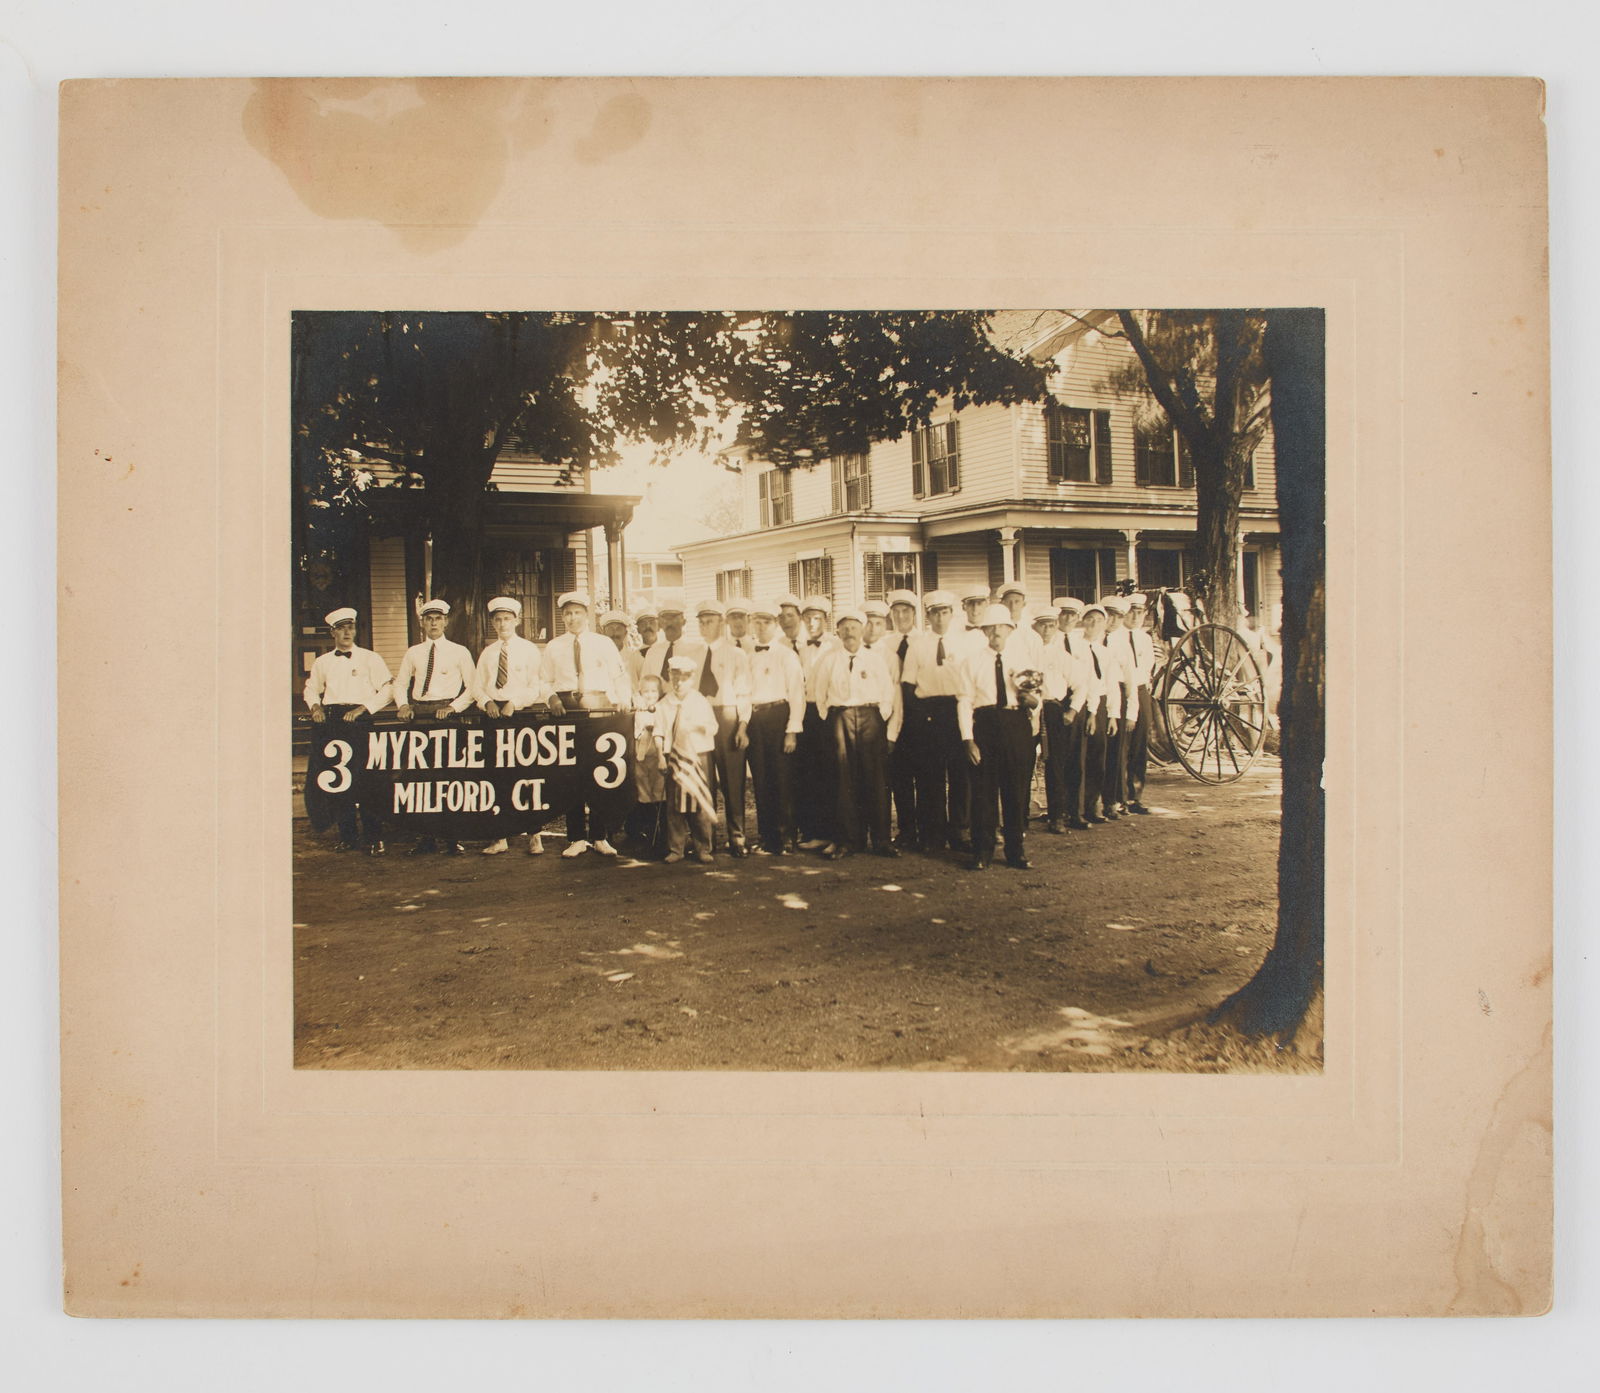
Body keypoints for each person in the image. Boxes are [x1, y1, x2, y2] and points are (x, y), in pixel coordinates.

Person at [539, 590, 632, 858]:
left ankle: (600, 836)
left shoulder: (603, 643)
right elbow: (543, 680)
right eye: (568, 613)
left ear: (587, 614)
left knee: (599, 770)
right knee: (572, 773)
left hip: (598, 707)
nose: (572, 618)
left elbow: (619, 676)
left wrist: (623, 699)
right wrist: (552, 698)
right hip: (566, 709)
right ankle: (576, 838)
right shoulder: (554, 646)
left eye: (577, 613)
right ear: (562, 617)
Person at [303, 607, 393, 855]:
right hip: (332, 722)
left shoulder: (370, 658)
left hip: (360, 721)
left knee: (366, 780)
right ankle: (347, 836)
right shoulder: (322, 662)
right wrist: (315, 707)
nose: (346, 632)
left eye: (350, 627)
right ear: (332, 632)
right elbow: (311, 688)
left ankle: (374, 837)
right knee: (339, 779)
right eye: (341, 628)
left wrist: (363, 708)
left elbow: (388, 689)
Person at [958, 604, 1041, 871]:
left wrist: (1033, 701)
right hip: (985, 725)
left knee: (1016, 791)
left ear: (1010, 629)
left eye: (1001, 627)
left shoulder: (1023, 661)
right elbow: (964, 702)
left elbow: (1037, 698)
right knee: (983, 792)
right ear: (984, 631)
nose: (996, 632)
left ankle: (1015, 851)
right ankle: (982, 851)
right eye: (990, 627)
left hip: (1016, 724)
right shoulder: (972, 661)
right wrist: (968, 739)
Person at [813, 607, 900, 859]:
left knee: (876, 780)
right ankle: (850, 840)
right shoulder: (829, 660)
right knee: (844, 780)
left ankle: (881, 840)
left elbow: (887, 692)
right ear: (838, 632)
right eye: (845, 628)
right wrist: (832, 717)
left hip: (870, 717)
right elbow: (820, 694)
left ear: (862, 630)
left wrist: (879, 716)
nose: (849, 632)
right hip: (840, 717)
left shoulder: (875, 659)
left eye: (854, 627)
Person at [394, 597, 477, 855]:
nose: (433, 623)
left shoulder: (459, 652)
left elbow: (473, 687)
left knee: (449, 777)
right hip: (419, 715)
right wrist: (403, 705)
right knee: (421, 778)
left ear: (446, 621)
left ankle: (452, 837)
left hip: (447, 715)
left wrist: (453, 708)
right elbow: (400, 683)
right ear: (422, 623)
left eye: (438, 619)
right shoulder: (413, 652)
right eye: (428, 619)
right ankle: (426, 838)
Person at [474, 595, 549, 857]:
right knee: (496, 776)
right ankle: (500, 836)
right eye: (498, 619)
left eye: (507, 619)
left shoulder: (529, 650)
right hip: (493, 716)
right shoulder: (488, 652)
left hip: (520, 715)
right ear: (493, 623)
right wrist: (486, 702)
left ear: (516, 621)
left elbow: (536, 685)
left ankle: (534, 835)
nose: (503, 624)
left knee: (526, 775)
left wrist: (514, 703)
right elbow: (477, 686)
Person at [900, 589, 970, 856]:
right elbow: (908, 685)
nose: (940, 618)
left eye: (944, 612)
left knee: (960, 775)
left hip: (957, 709)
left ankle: (959, 832)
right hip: (928, 714)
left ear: (951, 614)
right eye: (935, 613)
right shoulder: (918, 645)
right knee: (931, 777)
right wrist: (920, 716)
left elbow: (972, 681)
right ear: (927, 616)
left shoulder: (964, 644)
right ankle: (933, 834)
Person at [692, 599, 754, 857]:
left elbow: (744, 692)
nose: (705, 626)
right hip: (701, 719)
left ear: (722, 623)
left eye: (710, 621)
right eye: (702, 622)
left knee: (733, 781)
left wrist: (742, 726)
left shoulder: (736, 654)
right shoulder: (694, 655)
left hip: (727, 716)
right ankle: (706, 842)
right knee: (704, 781)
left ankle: (737, 838)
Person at [744, 601, 805, 855]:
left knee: (782, 778)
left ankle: (786, 836)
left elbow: (797, 694)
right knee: (761, 779)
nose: (761, 627)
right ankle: (767, 836)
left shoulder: (786, 655)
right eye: (757, 622)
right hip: (755, 719)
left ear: (776, 624)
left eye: (766, 622)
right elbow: (744, 692)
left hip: (779, 717)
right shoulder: (748, 656)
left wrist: (792, 731)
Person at [655, 656, 719, 864]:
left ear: (691, 679)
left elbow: (713, 727)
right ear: (669, 677)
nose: (678, 683)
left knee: (698, 800)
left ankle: (703, 847)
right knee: (674, 804)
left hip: (698, 756)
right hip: (674, 756)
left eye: (683, 679)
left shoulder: (700, 701)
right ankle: (676, 848)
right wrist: (660, 757)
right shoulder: (664, 704)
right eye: (675, 678)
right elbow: (658, 732)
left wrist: (696, 726)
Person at [794, 595, 840, 851]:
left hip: (827, 713)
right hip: (804, 713)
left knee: (828, 773)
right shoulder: (798, 646)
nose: (812, 623)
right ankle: (811, 831)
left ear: (825, 620)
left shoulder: (836, 645)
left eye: (817, 618)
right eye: (808, 618)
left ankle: (830, 832)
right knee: (807, 773)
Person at [884, 587, 922, 850]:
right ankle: (907, 830)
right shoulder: (886, 645)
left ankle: (930, 830)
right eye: (896, 612)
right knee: (900, 776)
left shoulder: (925, 641)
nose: (900, 616)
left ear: (914, 613)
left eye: (905, 611)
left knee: (926, 777)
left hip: (920, 716)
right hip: (895, 717)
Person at [1113, 591, 1156, 814]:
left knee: (1140, 744)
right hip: (1121, 691)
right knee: (1122, 745)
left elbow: (1148, 667)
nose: (1136, 616)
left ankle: (1135, 796)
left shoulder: (1145, 639)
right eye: (1132, 612)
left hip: (1140, 690)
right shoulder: (1115, 637)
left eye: (1140, 612)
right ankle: (1119, 798)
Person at [1053, 595, 1094, 830]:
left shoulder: (1082, 644)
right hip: (1054, 703)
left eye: (1072, 614)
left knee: (1077, 761)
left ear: (1078, 618)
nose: (1068, 618)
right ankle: (1057, 813)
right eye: (1064, 613)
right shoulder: (1048, 641)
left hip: (1077, 704)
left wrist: (1088, 710)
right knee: (1056, 761)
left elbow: (1088, 680)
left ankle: (1075, 812)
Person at [1096, 594, 1138, 819]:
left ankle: (1111, 801)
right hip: (1095, 695)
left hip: (1117, 696)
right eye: (1109, 616)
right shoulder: (1089, 638)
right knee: (1094, 752)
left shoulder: (1123, 644)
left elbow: (1131, 680)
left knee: (1115, 753)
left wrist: (1131, 712)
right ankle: (1087, 803)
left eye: (1118, 617)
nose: (1113, 621)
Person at [624, 671, 669, 858]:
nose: (650, 695)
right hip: (641, 757)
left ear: (659, 693)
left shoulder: (662, 709)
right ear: (640, 693)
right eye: (646, 692)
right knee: (643, 792)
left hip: (657, 757)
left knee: (659, 792)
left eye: (653, 691)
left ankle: (662, 838)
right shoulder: (638, 710)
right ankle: (647, 835)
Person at [639, 602, 704, 687]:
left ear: (684, 622)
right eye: (665, 619)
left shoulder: (696, 650)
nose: (669, 623)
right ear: (660, 624)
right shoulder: (653, 652)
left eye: (674, 618)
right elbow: (644, 684)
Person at [600, 608, 643, 691]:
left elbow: (645, 680)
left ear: (625, 633)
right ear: (604, 632)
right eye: (610, 629)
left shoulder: (635, 657)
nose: (615, 633)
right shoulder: (598, 657)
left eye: (619, 629)